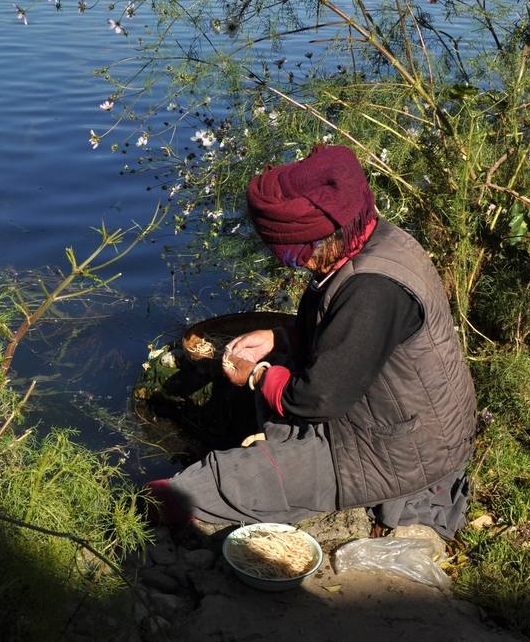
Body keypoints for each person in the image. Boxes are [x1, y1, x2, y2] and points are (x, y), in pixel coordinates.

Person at [149, 144, 477, 539]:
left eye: (290, 256)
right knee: (274, 397)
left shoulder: (372, 290)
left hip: (400, 450)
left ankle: (157, 510)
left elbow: (315, 400)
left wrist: (257, 376)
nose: (291, 264)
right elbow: (338, 333)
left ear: (322, 240)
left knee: (204, 487)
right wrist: (277, 336)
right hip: (395, 418)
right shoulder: (375, 237)